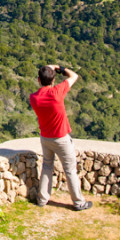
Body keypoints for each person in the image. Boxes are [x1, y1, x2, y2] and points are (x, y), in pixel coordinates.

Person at [29, 64, 92, 211]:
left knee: (47, 167)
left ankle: (42, 199)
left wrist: (50, 70)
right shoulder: (57, 92)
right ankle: (78, 202)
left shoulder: (34, 98)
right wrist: (59, 68)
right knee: (70, 170)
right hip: (61, 138)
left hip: (45, 137)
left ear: (38, 80)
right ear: (53, 80)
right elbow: (74, 76)